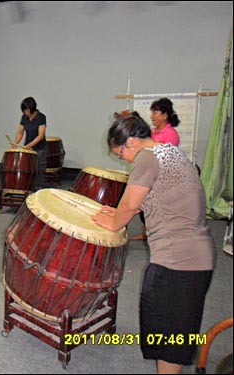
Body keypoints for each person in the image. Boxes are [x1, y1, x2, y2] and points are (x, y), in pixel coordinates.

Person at [91, 112, 216, 374]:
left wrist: (115, 222)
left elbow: (130, 204)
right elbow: (156, 197)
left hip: (178, 263)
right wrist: (117, 213)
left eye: (120, 154)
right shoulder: (170, 152)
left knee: (170, 340)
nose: (123, 160)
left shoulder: (146, 157)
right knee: (173, 333)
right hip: (196, 256)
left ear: (132, 143)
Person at [131, 98, 181, 240]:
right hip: (149, 173)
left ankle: (158, 235)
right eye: (152, 112)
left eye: (155, 112)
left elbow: (165, 156)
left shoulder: (171, 134)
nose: (152, 116)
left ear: (165, 115)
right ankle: (147, 232)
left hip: (162, 176)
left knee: (156, 207)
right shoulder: (152, 132)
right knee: (144, 207)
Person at [14, 97, 47, 189]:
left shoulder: (41, 117)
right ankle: (28, 188)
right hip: (28, 148)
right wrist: (15, 144)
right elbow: (20, 132)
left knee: (39, 170)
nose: (24, 112)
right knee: (27, 168)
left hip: (40, 149)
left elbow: (40, 136)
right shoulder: (24, 117)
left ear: (30, 109)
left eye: (25, 110)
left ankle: (38, 189)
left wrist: (29, 145)